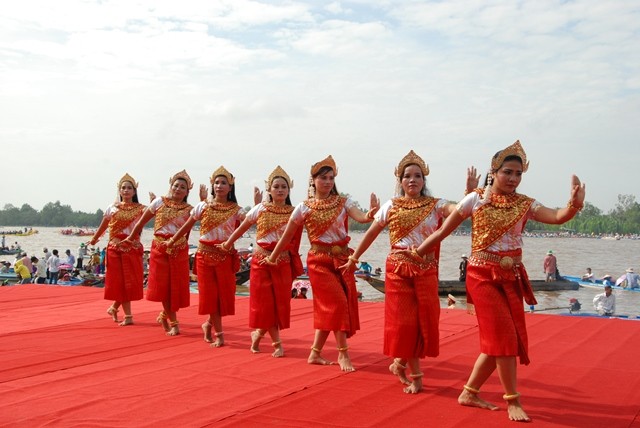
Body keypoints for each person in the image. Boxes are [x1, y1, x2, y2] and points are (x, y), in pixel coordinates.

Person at [414, 140, 585, 422]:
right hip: (482, 276)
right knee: (504, 337)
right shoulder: (475, 199)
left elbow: (556, 216)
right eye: (508, 172)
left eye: (518, 174)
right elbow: (443, 231)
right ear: (493, 171)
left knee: (499, 341)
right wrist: (418, 252)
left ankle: (469, 392)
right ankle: (512, 400)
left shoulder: (525, 203)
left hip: (512, 276)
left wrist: (573, 205)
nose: (514, 179)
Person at [340, 150, 478, 393]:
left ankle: (399, 362)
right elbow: (371, 232)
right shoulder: (391, 206)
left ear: (424, 180)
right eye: (407, 176)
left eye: (417, 176)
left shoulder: (436, 205)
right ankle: (416, 376)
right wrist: (354, 257)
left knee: (426, 321)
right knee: (406, 323)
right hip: (398, 270)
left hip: (425, 270)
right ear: (400, 181)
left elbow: (460, 212)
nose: (412, 180)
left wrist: (469, 194)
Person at [264, 155, 380, 372]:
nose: (327, 182)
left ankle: (315, 353)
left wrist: (370, 215)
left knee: (331, 308)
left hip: (343, 260)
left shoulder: (344, 202)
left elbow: (361, 217)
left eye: (331, 178)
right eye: (323, 178)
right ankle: (343, 353)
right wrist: (272, 257)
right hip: (319, 262)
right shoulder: (303, 207)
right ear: (313, 181)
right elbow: (287, 236)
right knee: (337, 304)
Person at [220, 166, 303, 356]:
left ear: (289, 190)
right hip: (261, 261)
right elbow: (243, 228)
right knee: (265, 304)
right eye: (276, 187)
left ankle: (258, 334)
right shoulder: (261, 209)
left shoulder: (295, 212)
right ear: (270, 190)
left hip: (282, 261)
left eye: (284, 187)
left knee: (278, 304)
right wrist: (228, 243)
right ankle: (277, 344)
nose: (280, 190)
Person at [170, 166, 245, 347]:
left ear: (230, 187)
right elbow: (187, 225)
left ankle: (209, 324)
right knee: (210, 297)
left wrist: (259, 204)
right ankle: (219, 334)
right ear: (213, 186)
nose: (219, 186)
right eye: (217, 183)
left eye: (223, 183)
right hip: (205, 255)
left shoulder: (237, 210)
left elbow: (251, 222)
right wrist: (172, 240)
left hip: (225, 256)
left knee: (224, 297)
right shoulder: (203, 206)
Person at [124, 170, 196, 336]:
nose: (178, 189)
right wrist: (130, 237)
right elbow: (141, 223)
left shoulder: (190, 210)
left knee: (176, 288)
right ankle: (174, 322)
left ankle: (165, 315)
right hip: (159, 249)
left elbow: (188, 233)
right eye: (176, 185)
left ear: (187, 191)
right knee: (163, 287)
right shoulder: (158, 203)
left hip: (179, 250)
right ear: (171, 186)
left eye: (182, 187)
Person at [89, 173, 147, 326]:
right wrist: (95, 239)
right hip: (115, 249)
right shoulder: (112, 208)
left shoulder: (141, 209)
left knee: (130, 282)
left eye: (129, 188)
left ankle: (114, 307)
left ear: (134, 192)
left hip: (132, 248)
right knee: (120, 283)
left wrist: (155, 202)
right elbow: (104, 225)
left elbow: (156, 215)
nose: (126, 190)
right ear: (119, 191)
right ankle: (128, 316)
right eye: (123, 188)